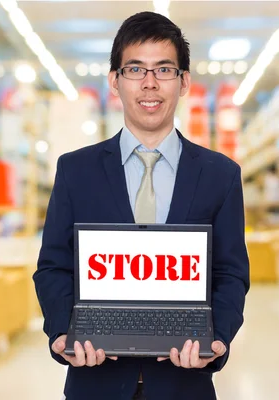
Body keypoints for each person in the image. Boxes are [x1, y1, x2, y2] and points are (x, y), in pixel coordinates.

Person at [34, 11, 249, 400]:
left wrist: (215, 339)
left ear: (183, 82)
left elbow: (231, 273)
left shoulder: (221, 175)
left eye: (164, 69)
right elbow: (53, 265)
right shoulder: (75, 170)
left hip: (185, 384)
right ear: (115, 81)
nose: (149, 83)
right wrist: (63, 331)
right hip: (94, 382)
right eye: (135, 69)